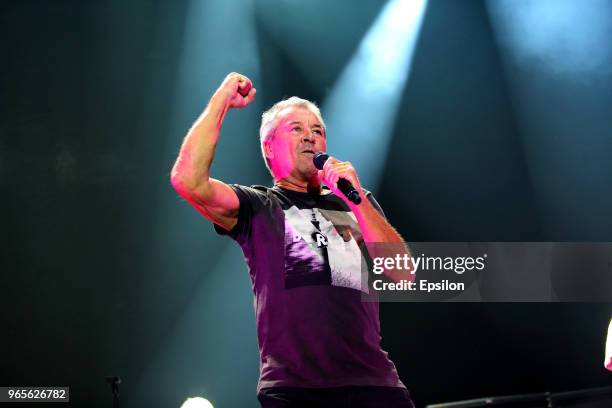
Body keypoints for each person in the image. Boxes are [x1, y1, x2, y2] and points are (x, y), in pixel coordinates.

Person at [171, 72, 414, 407]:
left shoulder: (356, 202)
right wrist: (222, 100)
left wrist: (356, 199)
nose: (309, 137)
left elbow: (404, 273)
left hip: (374, 384)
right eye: (296, 129)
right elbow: (187, 180)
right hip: (296, 390)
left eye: (317, 131)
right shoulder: (259, 206)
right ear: (269, 148)